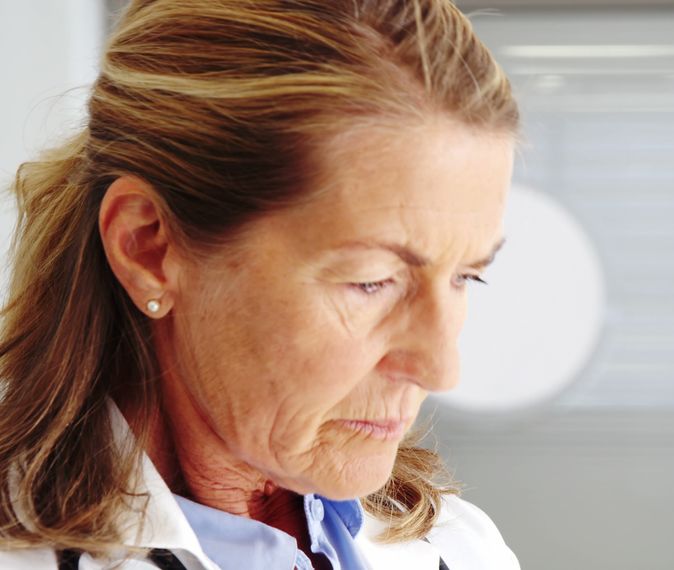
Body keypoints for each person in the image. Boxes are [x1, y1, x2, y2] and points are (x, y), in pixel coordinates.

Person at [0, 1, 520, 568]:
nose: (441, 370)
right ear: (147, 247)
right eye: (372, 282)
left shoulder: (461, 547)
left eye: (467, 275)